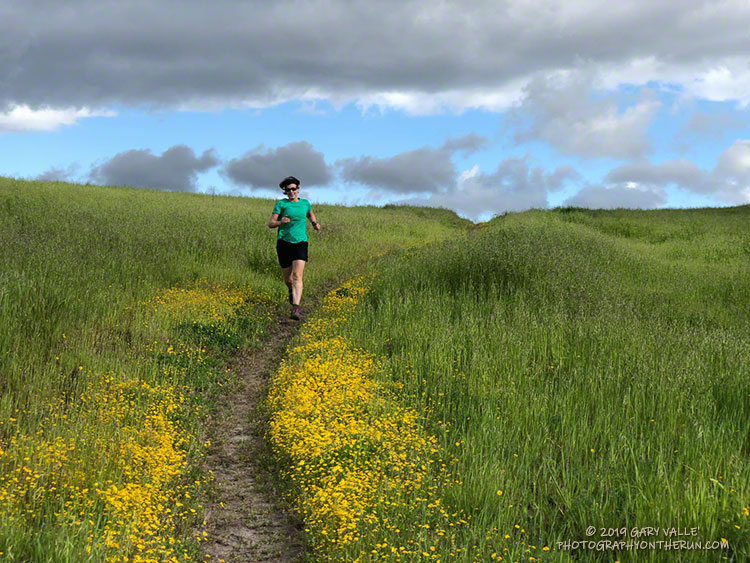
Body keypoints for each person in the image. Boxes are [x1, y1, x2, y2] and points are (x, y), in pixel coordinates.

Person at [268, 175, 320, 320]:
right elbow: (271, 223)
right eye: (288, 190)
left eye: (294, 189)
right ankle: (291, 290)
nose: (291, 192)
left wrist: (314, 223)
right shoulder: (281, 204)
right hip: (284, 242)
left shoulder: (305, 203)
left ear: (298, 189)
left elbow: (310, 214)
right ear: (285, 192)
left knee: (297, 275)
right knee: (288, 279)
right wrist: (281, 222)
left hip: (300, 242)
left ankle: (295, 308)